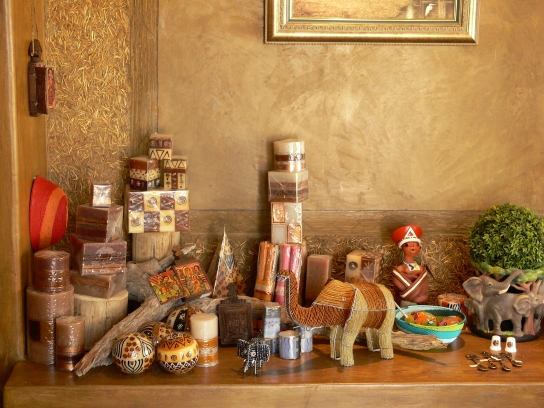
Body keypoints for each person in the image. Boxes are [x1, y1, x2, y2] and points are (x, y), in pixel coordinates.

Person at [391, 225, 429, 305]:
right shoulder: (400, 269)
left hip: (419, 302)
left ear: (420, 247)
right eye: (407, 245)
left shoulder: (420, 268)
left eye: (416, 244)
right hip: (405, 302)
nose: (412, 246)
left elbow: (423, 282)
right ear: (402, 248)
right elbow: (397, 281)